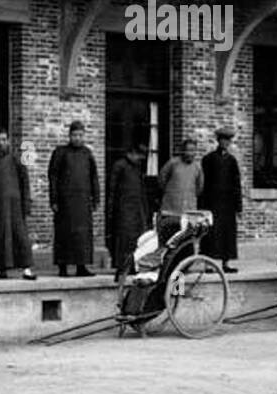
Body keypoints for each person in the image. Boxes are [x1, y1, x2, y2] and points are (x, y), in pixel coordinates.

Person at [0, 129, 36, 280]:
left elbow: (25, 183)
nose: (1, 143)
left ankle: (27, 269)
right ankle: (2, 269)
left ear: (8, 141)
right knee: (0, 237)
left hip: (15, 206)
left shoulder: (16, 160)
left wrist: (26, 204)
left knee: (20, 237)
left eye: (4, 140)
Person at [47, 120, 99, 277]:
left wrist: (96, 198)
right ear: (69, 136)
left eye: (80, 135)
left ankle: (81, 266)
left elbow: (94, 177)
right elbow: (53, 176)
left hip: (83, 201)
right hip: (65, 202)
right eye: (74, 135)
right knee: (64, 234)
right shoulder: (60, 153)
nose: (77, 138)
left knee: (82, 235)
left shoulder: (87, 154)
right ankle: (62, 266)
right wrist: (54, 199)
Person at [199, 126, 242, 273]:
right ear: (218, 141)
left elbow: (236, 184)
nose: (226, 143)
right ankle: (208, 264)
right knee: (211, 233)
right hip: (212, 202)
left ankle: (226, 263)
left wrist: (238, 206)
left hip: (228, 204)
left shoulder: (231, 161)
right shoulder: (208, 159)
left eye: (228, 141)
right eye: (223, 140)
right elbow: (203, 184)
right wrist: (202, 205)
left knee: (227, 233)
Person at [107, 139, 151, 280]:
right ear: (132, 153)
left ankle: (133, 267)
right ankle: (121, 270)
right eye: (139, 155)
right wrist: (111, 209)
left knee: (138, 241)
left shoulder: (137, 168)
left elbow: (142, 190)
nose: (141, 159)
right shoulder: (120, 166)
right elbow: (112, 190)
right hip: (124, 209)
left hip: (138, 209)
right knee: (124, 242)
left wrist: (145, 210)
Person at [159, 138, 204, 214]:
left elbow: (199, 187)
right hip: (171, 205)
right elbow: (162, 179)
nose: (190, 154)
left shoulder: (197, 167)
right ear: (182, 151)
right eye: (188, 150)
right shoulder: (173, 163)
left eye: (192, 150)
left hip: (189, 206)